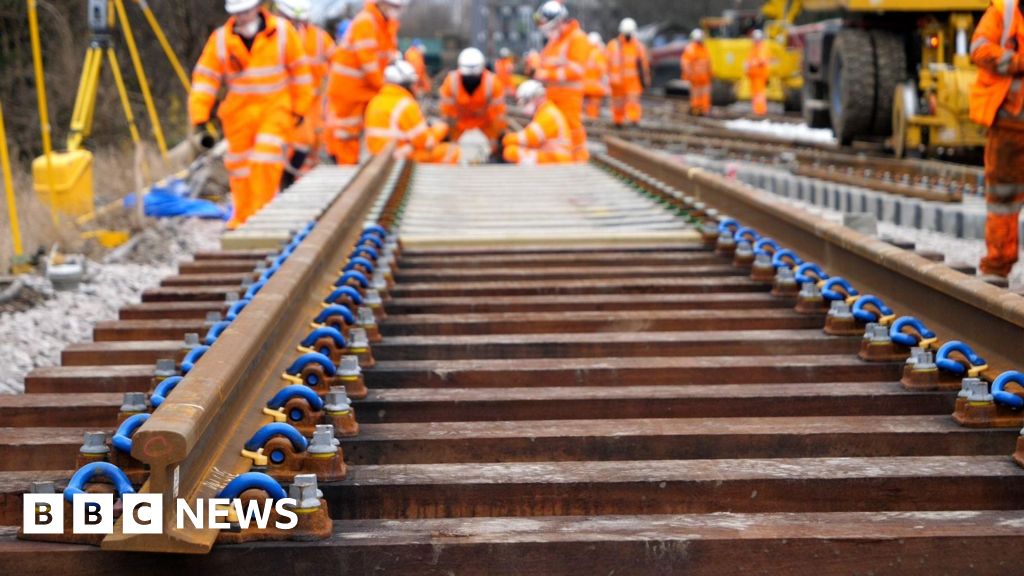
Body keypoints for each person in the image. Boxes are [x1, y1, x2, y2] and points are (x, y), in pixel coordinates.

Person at [190, 0, 313, 229]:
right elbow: (205, 79)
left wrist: (300, 108)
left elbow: (300, 72)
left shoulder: (282, 32)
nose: (243, 17)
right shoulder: (221, 40)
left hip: (275, 108)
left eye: (247, 11)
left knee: (265, 159)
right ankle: (243, 218)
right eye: (239, 13)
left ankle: (262, 215)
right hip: (239, 113)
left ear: (258, 8)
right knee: (239, 167)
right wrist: (200, 116)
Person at [969, 0, 1024, 281]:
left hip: (1010, 129)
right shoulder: (1004, 14)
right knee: (1003, 198)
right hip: (1008, 130)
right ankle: (998, 266)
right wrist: (1015, 62)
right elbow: (979, 48)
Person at [325, 0, 404, 165]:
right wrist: (385, 88)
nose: (397, 11)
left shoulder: (387, 24)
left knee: (361, 130)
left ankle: (352, 165)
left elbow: (388, 55)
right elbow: (368, 63)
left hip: (365, 88)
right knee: (347, 134)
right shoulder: (366, 22)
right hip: (349, 89)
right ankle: (345, 168)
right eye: (394, 6)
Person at [275, 0, 335, 186]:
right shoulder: (273, 37)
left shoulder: (318, 38)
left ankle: (292, 179)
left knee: (305, 142)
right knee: (288, 143)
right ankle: (286, 180)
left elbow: (338, 62)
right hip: (281, 101)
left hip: (311, 102)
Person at [365, 60, 461, 164]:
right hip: (399, 158)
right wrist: (441, 128)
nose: (415, 88)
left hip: (377, 157)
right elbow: (425, 142)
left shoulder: (375, 101)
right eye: (413, 84)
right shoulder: (406, 105)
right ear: (406, 84)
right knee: (453, 151)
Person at [534, 1, 591, 161]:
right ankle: (563, 159)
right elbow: (544, 61)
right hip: (552, 94)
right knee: (556, 130)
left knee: (572, 128)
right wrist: (535, 65)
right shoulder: (555, 40)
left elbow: (577, 70)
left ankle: (579, 159)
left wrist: (544, 74)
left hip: (569, 95)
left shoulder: (577, 38)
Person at [439, 48, 507, 149]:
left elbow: (498, 117)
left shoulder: (493, 83)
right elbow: (446, 115)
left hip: (485, 127)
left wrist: (497, 140)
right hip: (459, 128)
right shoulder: (451, 82)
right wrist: (449, 138)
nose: (470, 80)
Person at [502, 80, 573, 165]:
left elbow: (531, 138)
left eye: (525, 101)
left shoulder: (548, 114)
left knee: (511, 152)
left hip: (557, 159)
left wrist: (507, 139)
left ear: (534, 97)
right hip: (554, 157)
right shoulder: (545, 111)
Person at [607, 17, 651, 127]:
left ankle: (633, 121)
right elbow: (606, 62)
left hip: (633, 81)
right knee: (618, 103)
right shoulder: (613, 45)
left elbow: (643, 65)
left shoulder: (638, 47)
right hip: (617, 82)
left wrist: (645, 79)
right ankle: (618, 121)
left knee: (633, 103)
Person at [682, 28, 712, 116]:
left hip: (704, 78)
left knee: (704, 95)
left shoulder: (704, 49)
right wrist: (689, 75)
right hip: (695, 78)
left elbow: (708, 63)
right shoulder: (691, 49)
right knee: (696, 95)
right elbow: (686, 64)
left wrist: (710, 73)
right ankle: (696, 109)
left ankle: (704, 110)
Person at [583, 32, 609, 119]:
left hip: (584, 86)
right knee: (593, 106)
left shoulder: (584, 53)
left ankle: (588, 119)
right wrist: (606, 87)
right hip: (595, 86)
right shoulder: (598, 54)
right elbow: (603, 71)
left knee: (585, 105)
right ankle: (592, 119)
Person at [745, 29, 770, 117]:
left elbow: (761, 60)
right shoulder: (754, 48)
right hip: (754, 75)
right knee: (756, 94)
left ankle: (760, 110)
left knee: (759, 94)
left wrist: (751, 63)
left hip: (759, 75)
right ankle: (757, 110)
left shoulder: (761, 48)